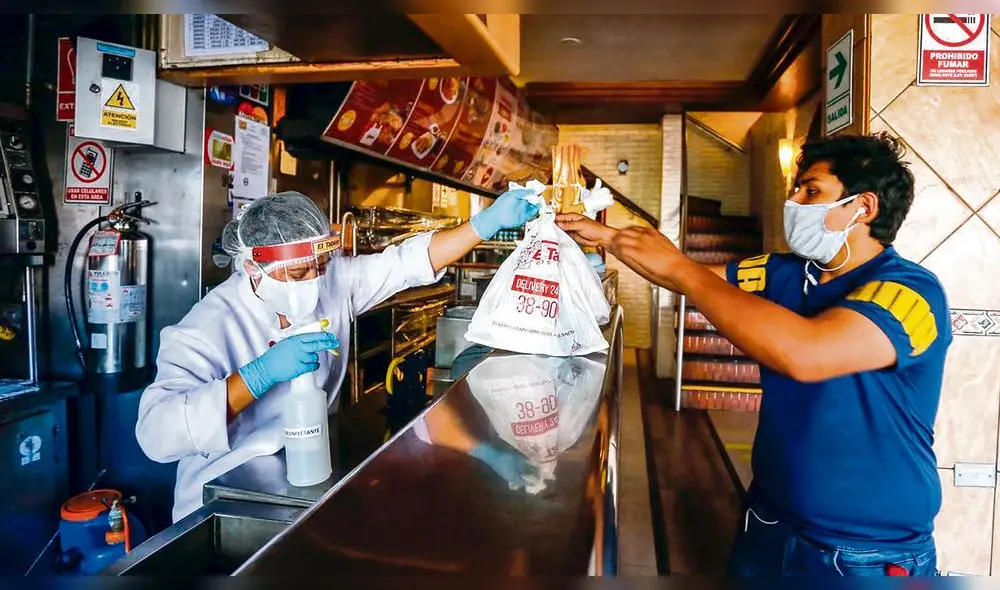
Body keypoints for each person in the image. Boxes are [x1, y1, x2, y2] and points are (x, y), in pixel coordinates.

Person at [556, 133, 951, 577]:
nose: (794, 201)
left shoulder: (911, 293)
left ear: (865, 208)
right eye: (797, 188)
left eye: (812, 191)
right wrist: (605, 237)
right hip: (767, 522)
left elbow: (807, 353)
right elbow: (693, 279)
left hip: (865, 555)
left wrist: (681, 269)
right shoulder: (783, 271)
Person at [136, 188, 540, 522]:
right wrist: (257, 376)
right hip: (221, 497)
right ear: (252, 268)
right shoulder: (206, 328)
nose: (313, 281)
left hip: (306, 476)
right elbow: (156, 436)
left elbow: (407, 263)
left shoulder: (332, 282)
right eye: (298, 273)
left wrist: (484, 222)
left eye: (320, 265)